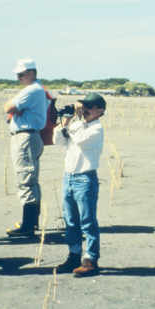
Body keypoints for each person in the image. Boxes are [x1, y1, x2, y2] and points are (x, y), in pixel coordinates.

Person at [53, 92, 106, 277]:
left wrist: (75, 119)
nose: (84, 111)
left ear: (100, 111)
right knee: (70, 222)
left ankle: (91, 260)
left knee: (88, 222)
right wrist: (65, 122)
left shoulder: (96, 130)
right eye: (82, 107)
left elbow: (82, 138)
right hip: (69, 178)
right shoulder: (78, 126)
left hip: (85, 180)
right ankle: (74, 256)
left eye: (88, 108)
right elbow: (58, 141)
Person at [3, 58, 48, 237]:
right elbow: (11, 108)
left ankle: (28, 225)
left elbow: (7, 106)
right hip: (31, 136)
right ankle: (32, 222)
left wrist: (15, 108)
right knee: (31, 178)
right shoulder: (37, 89)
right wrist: (16, 109)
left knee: (25, 179)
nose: (18, 78)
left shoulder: (32, 89)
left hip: (25, 138)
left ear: (31, 73)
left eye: (21, 74)